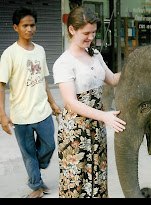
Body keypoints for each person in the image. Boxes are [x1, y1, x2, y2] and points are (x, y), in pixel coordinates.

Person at [53, 6, 126, 198]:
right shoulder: (63, 63)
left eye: (94, 32)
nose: (91, 37)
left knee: (98, 179)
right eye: (86, 33)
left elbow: (112, 79)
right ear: (72, 30)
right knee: (76, 184)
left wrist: (135, 67)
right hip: (75, 132)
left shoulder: (95, 54)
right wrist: (104, 116)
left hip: (97, 128)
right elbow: (71, 102)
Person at [0, 7, 62, 198]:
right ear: (15, 27)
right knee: (28, 154)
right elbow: (1, 85)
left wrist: (52, 103)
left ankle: (36, 170)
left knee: (49, 146)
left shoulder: (41, 51)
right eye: (25, 25)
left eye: (32, 25)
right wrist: (2, 114)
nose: (29, 29)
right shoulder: (9, 54)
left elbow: (43, 79)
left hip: (42, 111)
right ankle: (36, 185)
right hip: (21, 116)